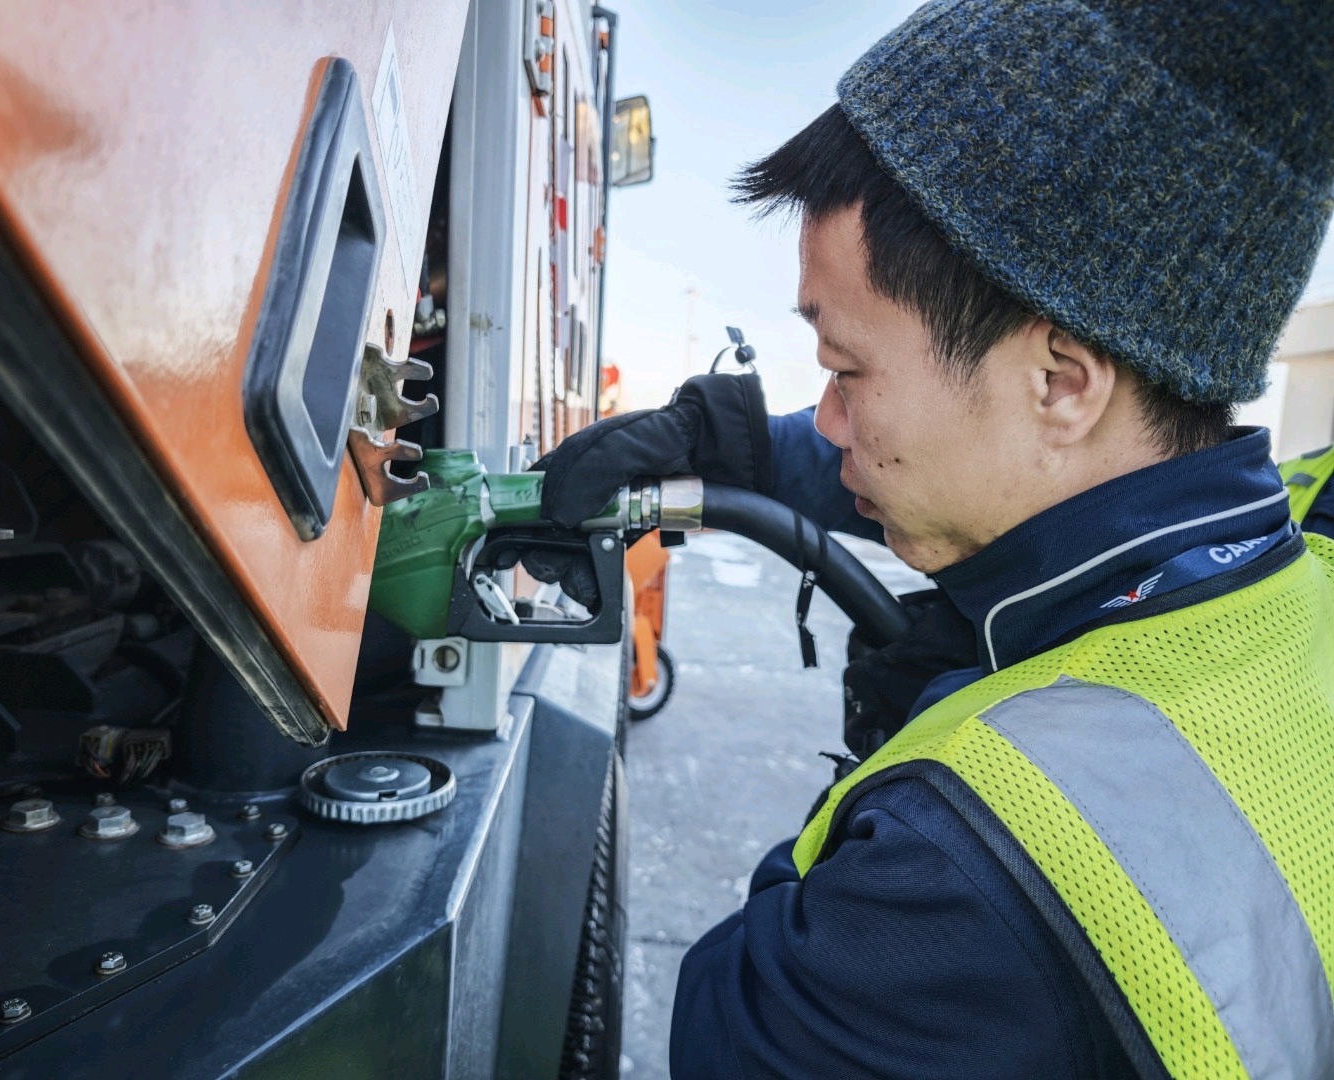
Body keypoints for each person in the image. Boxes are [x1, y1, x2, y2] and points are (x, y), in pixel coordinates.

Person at [530, 2, 1334, 1076]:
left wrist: (885, 761)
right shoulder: (1299, 546)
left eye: (845, 370)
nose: (826, 418)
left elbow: (730, 1027)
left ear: (1061, 384)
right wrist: (727, 442)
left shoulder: (951, 872)